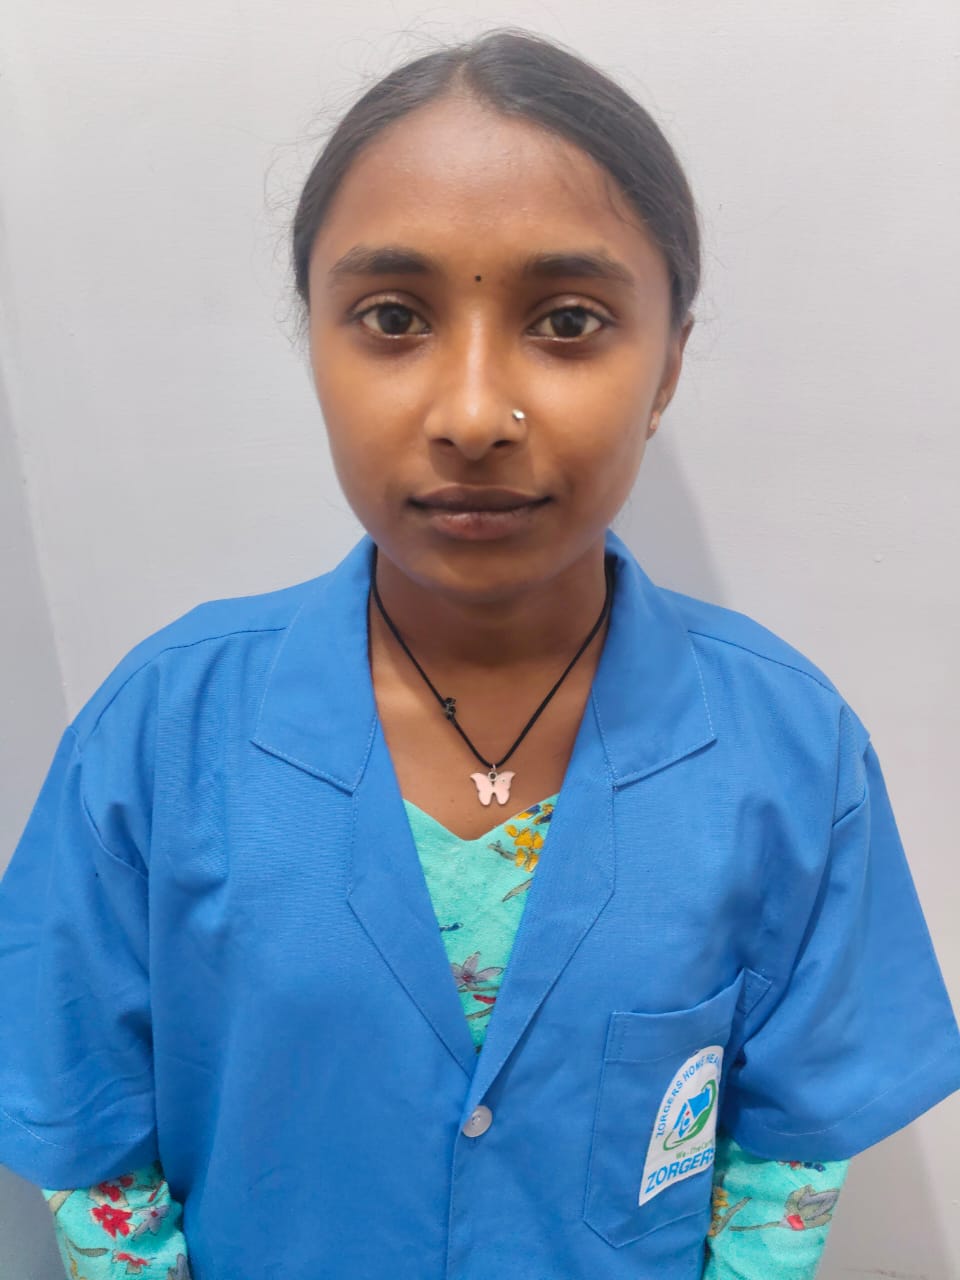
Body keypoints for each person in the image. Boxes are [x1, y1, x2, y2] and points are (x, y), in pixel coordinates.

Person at [0, 27, 957, 1280]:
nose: (469, 414)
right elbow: (87, 1138)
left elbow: (788, 1163)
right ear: (315, 343)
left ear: (667, 363)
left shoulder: (789, 754)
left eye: (568, 321)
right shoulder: (159, 738)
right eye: (393, 317)